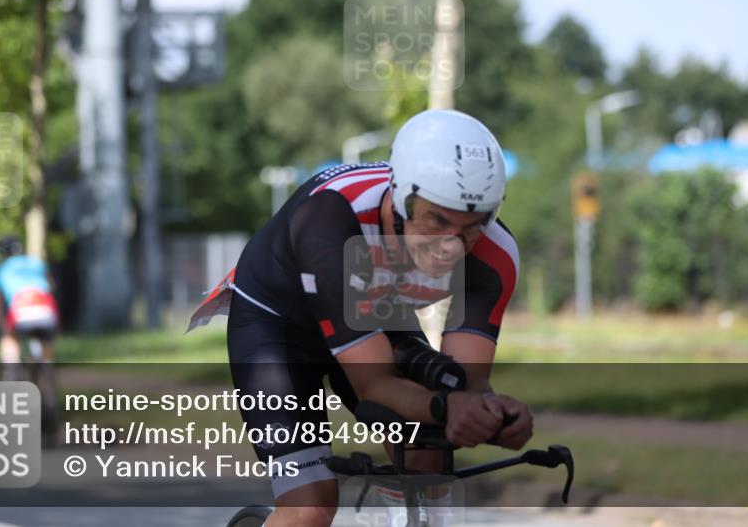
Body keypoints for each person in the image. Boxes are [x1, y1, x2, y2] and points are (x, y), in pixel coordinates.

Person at [190, 109, 531, 527]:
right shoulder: (328, 224)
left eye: (474, 226)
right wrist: (448, 406)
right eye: (437, 219)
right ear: (399, 197)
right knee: (311, 507)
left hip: (372, 312)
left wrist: (493, 413)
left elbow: (466, 381)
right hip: (279, 327)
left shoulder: (494, 257)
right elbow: (373, 384)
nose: (452, 246)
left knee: (429, 460)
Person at [0, 235, 60, 370]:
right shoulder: (36, 263)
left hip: (20, 312)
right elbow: (52, 287)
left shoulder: (0, 271)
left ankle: (12, 374)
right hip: (46, 310)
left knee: (9, 338)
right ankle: (48, 373)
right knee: (45, 342)